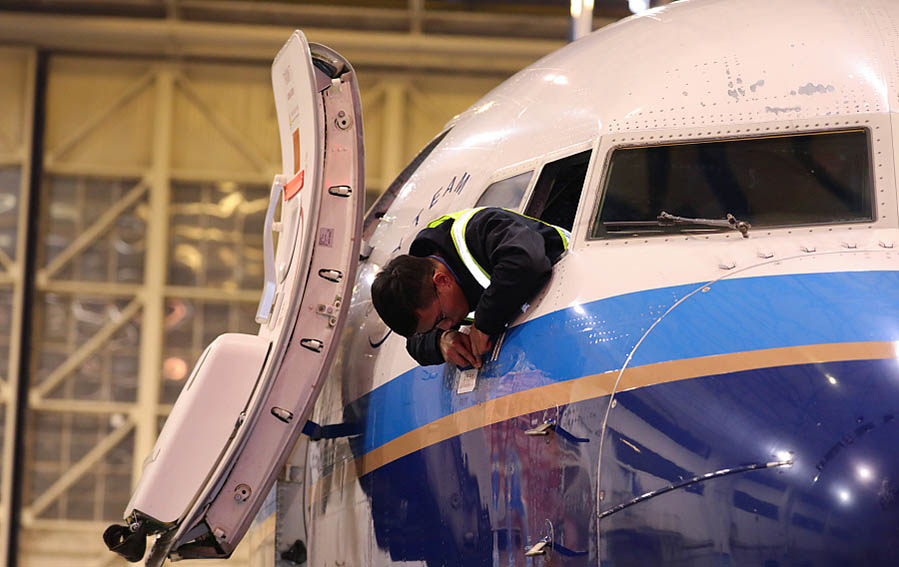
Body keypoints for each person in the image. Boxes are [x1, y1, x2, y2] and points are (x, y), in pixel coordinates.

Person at [371, 207, 569, 368]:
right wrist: (441, 340)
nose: (448, 325)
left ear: (442, 281)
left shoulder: (479, 229)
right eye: (434, 327)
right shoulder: (424, 289)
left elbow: (525, 261)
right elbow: (415, 342)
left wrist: (485, 323)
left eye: (442, 318)